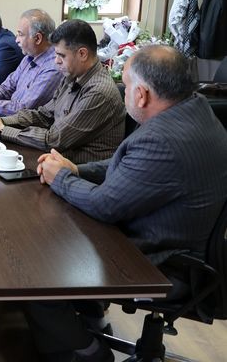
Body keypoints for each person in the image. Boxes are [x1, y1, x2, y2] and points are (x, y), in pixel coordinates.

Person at [28, 45, 227, 362]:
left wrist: (59, 178)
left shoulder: (162, 140)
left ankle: (85, 351)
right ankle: (90, 315)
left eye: (127, 85)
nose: (123, 94)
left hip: (160, 261)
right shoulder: (196, 109)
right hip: (184, 244)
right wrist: (77, 170)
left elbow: (105, 205)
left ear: (142, 95)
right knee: (62, 230)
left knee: (36, 268)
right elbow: (131, 164)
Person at [0, 19, 125, 164]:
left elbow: (55, 139)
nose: (56, 61)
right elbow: (44, 115)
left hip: (80, 171)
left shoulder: (98, 91)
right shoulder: (72, 77)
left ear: (82, 54)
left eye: (61, 55)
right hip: (57, 158)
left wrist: (3, 129)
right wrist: (2, 121)